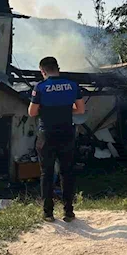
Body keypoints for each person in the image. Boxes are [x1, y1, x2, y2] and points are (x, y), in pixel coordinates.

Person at [28, 56, 85, 222]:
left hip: (47, 135)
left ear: (43, 71)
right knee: (67, 172)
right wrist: (66, 110)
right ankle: (68, 211)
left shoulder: (40, 87)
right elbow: (81, 110)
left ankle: (48, 213)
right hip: (67, 134)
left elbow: (32, 112)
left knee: (47, 173)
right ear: (57, 68)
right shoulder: (72, 85)